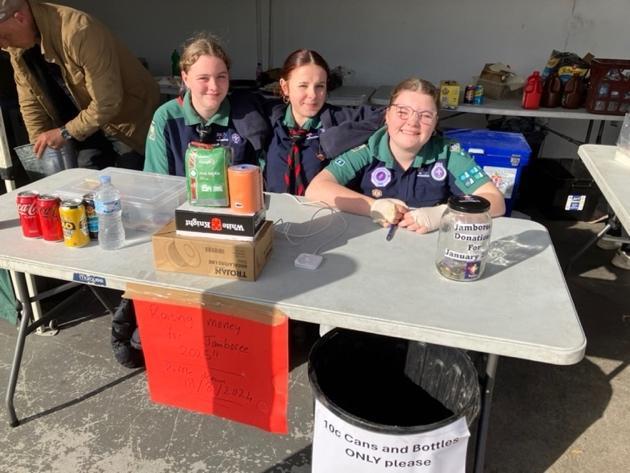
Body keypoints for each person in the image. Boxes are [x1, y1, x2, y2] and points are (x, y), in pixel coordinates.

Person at [305, 77, 505, 232]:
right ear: (387, 115)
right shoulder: (369, 148)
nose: (412, 122)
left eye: (425, 116)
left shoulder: (448, 153)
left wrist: (445, 214)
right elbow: (317, 189)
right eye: (402, 112)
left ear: (435, 123)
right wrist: (373, 206)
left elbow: (495, 201)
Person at [0, 0, 159, 170]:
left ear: (20, 18)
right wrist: (39, 150)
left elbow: (107, 101)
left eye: (3, 36)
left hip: (126, 118)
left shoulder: (79, 30)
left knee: (130, 178)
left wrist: (65, 132)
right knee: (86, 179)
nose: (2, 44)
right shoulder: (15, 46)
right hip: (83, 123)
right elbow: (30, 101)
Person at [144, 32, 269, 175]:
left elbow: (260, 177)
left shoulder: (246, 116)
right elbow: (157, 182)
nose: (214, 86)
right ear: (185, 78)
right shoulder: (167, 117)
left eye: (221, 76)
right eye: (203, 78)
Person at [264, 49, 383, 196]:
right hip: (276, 213)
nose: (313, 95)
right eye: (303, 86)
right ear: (285, 87)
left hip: (327, 214)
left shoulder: (338, 119)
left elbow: (387, 114)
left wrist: (345, 135)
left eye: (320, 86)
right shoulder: (269, 120)